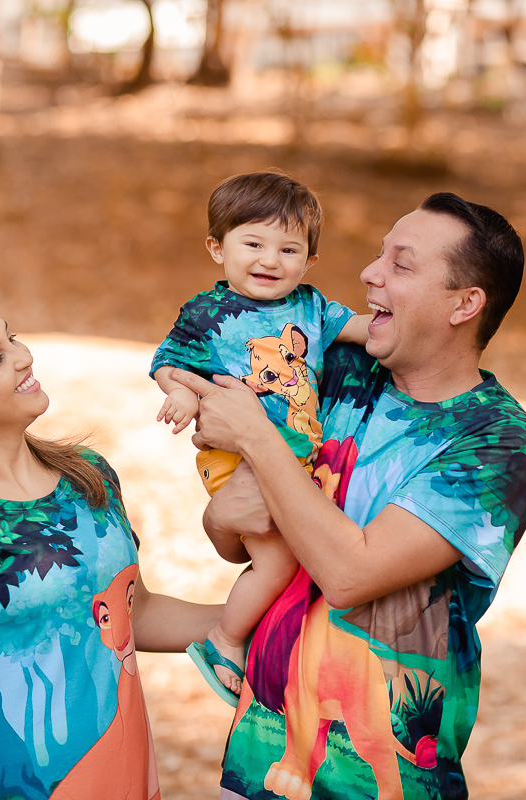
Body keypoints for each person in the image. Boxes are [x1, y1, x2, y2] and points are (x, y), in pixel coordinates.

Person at [170, 192, 526, 800]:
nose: (369, 273)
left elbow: (349, 572)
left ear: (465, 303)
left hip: (381, 780)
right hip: (257, 756)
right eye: (379, 255)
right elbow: (247, 541)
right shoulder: (336, 372)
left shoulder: (498, 442)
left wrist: (257, 437)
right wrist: (219, 517)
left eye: (400, 264)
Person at [0, 288, 222, 800]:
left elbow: (128, 616)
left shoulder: (88, 477)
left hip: (125, 778)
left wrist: (256, 623)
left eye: (11, 337)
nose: (24, 357)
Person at [149, 171, 369, 700]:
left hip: (292, 461)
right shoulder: (206, 313)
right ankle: (224, 638)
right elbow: (167, 362)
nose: (270, 260)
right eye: (253, 243)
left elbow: (364, 330)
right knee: (278, 561)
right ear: (216, 248)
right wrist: (180, 394)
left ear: (310, 261)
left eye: (289, 249)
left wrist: (402, 323)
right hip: (233, 457)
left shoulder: (313, 309)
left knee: (294, 558)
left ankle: (268, 643)